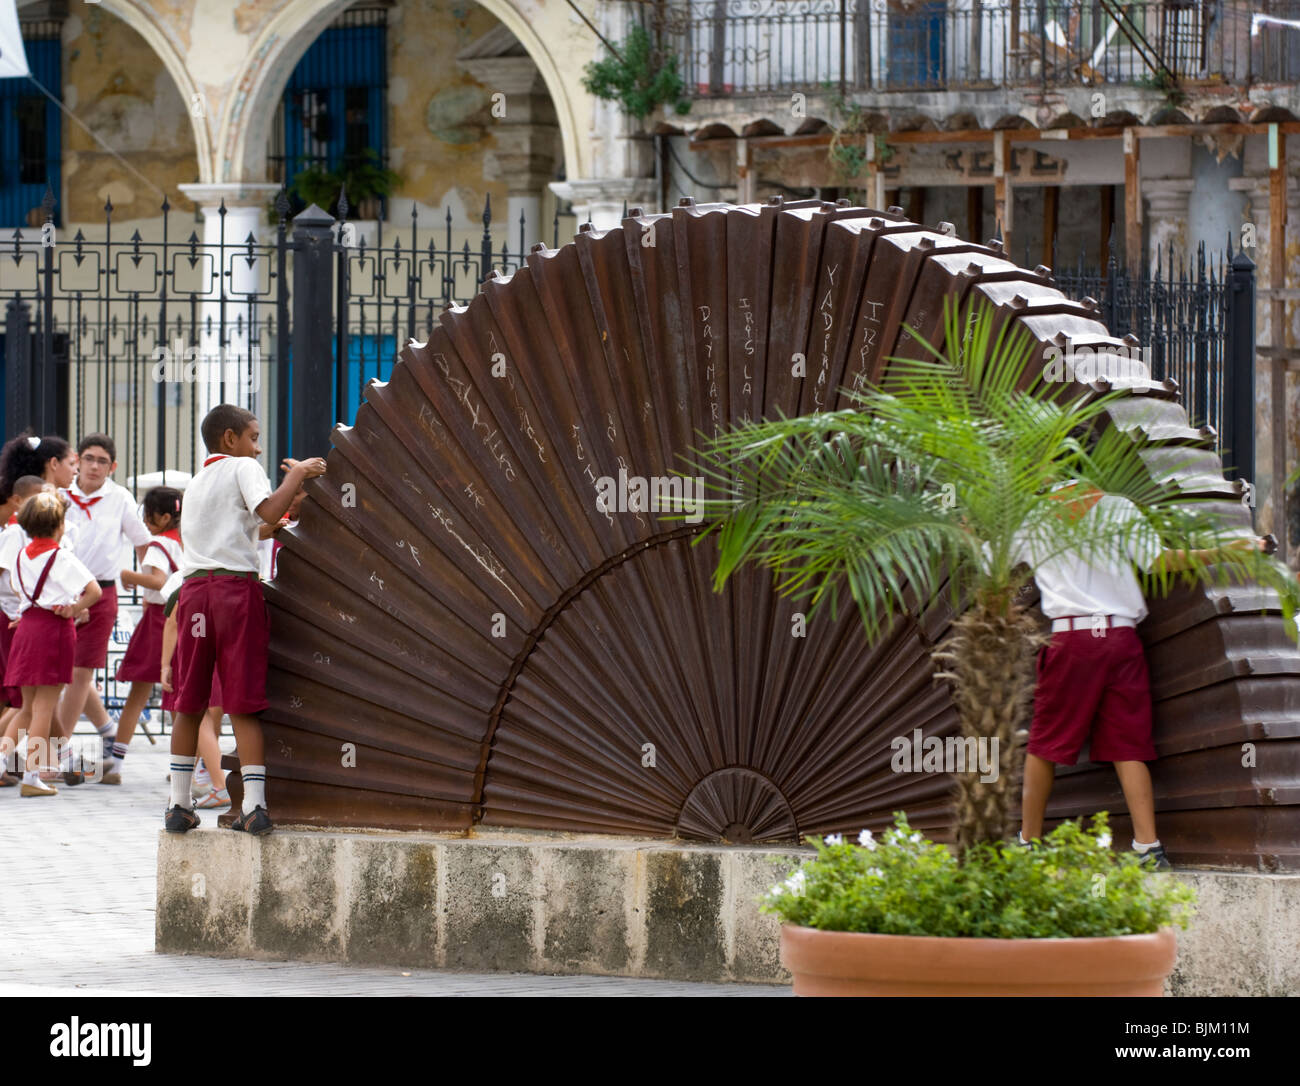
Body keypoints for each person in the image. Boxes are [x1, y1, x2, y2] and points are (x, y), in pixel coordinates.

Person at [1017, 478, 1269, 868]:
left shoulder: (1033, 517)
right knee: (1127, 742)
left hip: (1074, 640)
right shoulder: (1117, 507)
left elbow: (989, 561)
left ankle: (1029, 845)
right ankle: (1148, 847)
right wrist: (1228, 551)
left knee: (1045, 741)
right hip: (1120, 637)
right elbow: (1161, 562)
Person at [163, 403, 325, 834]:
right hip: (236, 591)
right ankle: (254, 806)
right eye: (254, 437)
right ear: (230, 438)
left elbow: (252, 527)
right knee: (243, 702)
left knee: (190, 702)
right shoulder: (242, 468)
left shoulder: (196, 483)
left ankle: (179, 805)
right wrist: (298, 475)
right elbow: (268, 514)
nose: (257, 448)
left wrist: (287, 503)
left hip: (195, 593)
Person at [50, 434, 151, 779]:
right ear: (77, 459)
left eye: (102, 461)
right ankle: (108, 732)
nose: (94, 466)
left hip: (101, 592)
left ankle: (53, 756)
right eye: (89, 458)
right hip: (58, 595)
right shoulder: (58, 495)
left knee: (81, 672)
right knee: (55, 675)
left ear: (113, 466)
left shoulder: (120, 498)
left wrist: (147, 583)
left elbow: (144, 543)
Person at [5, 491, 100, 796]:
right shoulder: (61, 556)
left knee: (26, 707)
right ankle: (32, 777)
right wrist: (73, 608)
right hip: (53, 632)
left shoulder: (20, 556)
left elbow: (18, 592)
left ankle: (4, 762)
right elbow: (94, 590)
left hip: (27, 628)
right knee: (45, 707)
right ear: (59, 525)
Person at [102, 487, 184, 786]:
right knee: (177, 697)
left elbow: (158, 581)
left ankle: (115, 764)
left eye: (148, 516)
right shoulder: (185, 543)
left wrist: (127, 576)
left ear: (162, 517)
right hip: (181, 621)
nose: (146, 523)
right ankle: (182, 765)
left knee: (137, 695)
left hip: (157, 622)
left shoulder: (157, 545)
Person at [0, 475, 51, 785]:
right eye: (39, 497)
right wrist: (26, 604)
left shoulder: (37, 537)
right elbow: (8, 577)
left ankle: (36, 760)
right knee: (22, 699)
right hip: (12, 617)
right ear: (19, 501)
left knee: (29, 700)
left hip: (27, 618)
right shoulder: (13, 534)